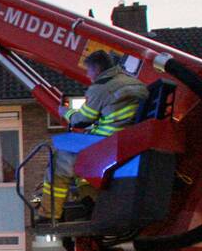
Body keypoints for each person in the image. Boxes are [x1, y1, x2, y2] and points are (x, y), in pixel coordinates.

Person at [38, 50, 149, 221]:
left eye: (88, 70)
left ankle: (49, 214)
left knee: (59, 161)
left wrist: (65, 112)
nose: (88, 75)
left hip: (109, 144)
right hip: (126, 141)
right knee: (78, 159)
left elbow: (81, 120)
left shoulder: (101, 88)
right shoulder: (136, 84)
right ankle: (91, 202)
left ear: (97, 69)